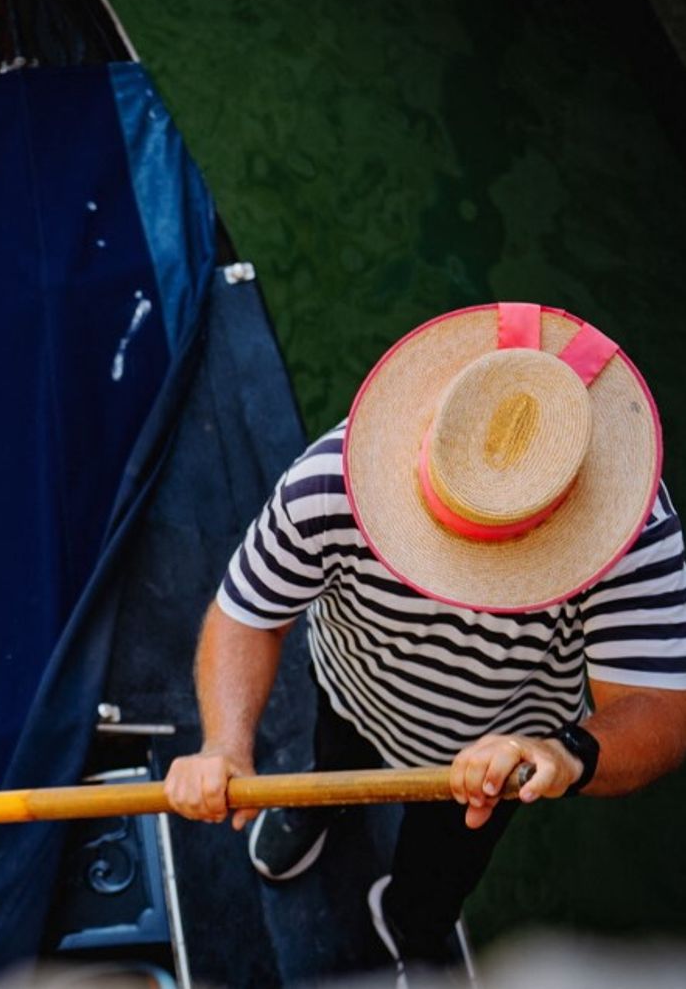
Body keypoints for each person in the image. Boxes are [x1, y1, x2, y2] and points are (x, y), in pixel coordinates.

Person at [163, 303, 686, 979]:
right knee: (334, 755)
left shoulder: (633, 535)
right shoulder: (332, 477)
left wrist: (566, 752)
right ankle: (321, 803)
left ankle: (416, 926)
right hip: (355, 689)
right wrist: (225, 744)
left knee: (440, 875)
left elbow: (659, 706)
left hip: (500, 755)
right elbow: (248, 613)